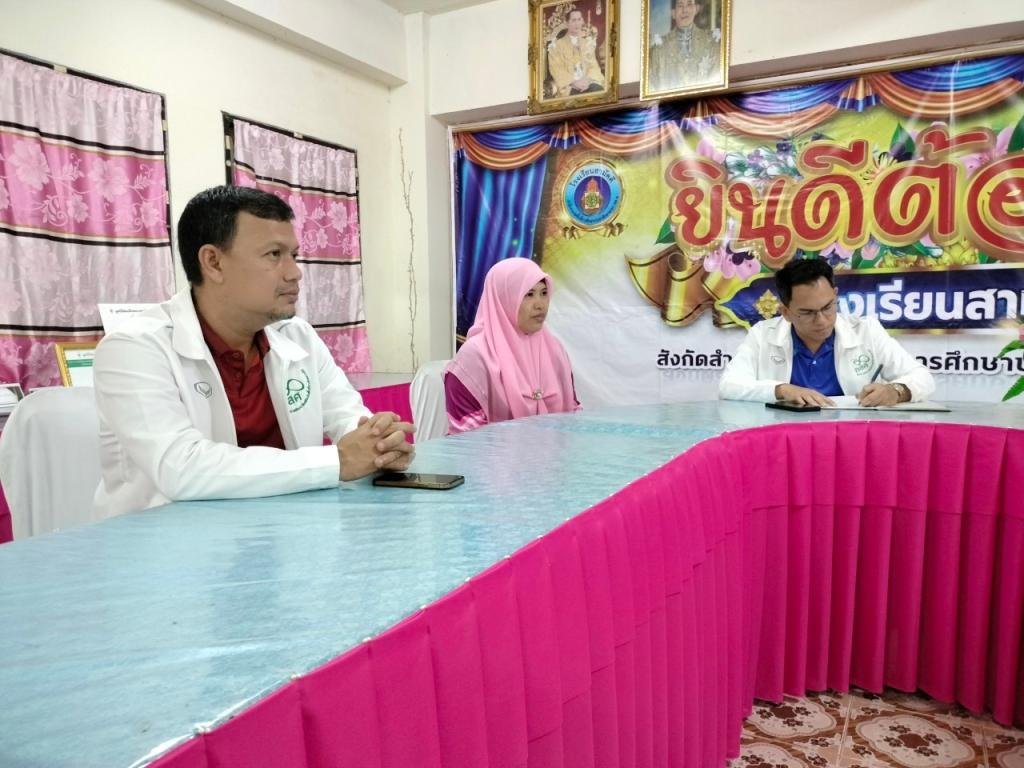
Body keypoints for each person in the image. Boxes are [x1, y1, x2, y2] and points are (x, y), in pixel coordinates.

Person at [93, 186, 414, 516]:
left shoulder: (298, 337)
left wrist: (380, 445)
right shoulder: (134, 348)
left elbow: (348, 418)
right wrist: (339, 460)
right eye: (274, 254)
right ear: (213, 262)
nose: (294, 273)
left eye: (294, 255)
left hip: (282, 529)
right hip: (166, 539)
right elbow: (181, 469)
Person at [718, 257, 936, 406]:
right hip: (784, 437)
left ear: (835, 295)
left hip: (850, 435)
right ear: (786, 312)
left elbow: (923, 378)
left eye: (828, 307)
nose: (821, 320)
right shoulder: (762, 335)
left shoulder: (866, 330)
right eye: (807, 312)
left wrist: (896, 391)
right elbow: (729, 386)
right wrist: (782, 390)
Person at [445, 258, 580, 434]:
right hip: (491, 451)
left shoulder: (554, 349)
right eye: (529, 294)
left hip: (556, 450)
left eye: (544, 293)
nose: (540, 305)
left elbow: (574, 413)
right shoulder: (475, 356)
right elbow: (466, 437)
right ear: (504, 298)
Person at [647, 0, 720, 92]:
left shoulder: (711, 42)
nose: (685, 10)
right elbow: (652, 86)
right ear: (673, 13)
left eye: (689, 4)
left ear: (696, 9)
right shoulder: (659, 48)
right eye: (680, 5)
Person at [547, 9, 605, 98]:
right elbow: (556, 69)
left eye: (579, 19)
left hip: (588, 82)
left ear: (582, 21)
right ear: (567, 23)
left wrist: (587, 80)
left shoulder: (587, 43)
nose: (577, 24)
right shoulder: (556, 46)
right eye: (573, 20)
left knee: (598, 91)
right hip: (569, 86)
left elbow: (593, 65)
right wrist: (574, 82)